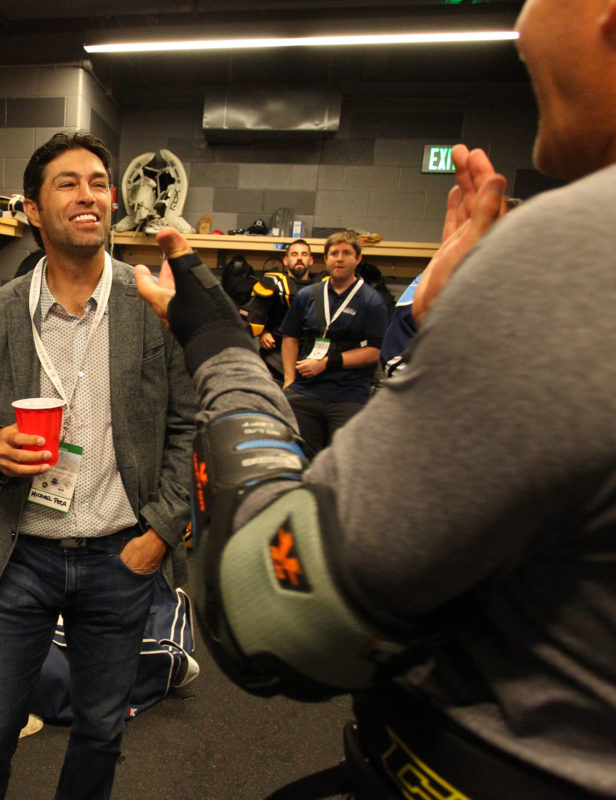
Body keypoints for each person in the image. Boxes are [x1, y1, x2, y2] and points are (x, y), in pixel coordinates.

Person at [130, 0, 616, 794]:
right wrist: (444, 338)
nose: (523, 22)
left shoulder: (582, 246)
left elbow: (270, 616)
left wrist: (213, 338)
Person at [0, 130, 197, 800]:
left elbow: (187, 425)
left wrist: (160, 532)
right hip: (18, 555)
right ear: (31, 209)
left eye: (99, 183)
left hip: (120, 555)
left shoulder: (154, 308)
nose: (89, 195)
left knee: (102, 729)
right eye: (67, 183)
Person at [279, 230, 388, 455]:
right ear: (325, 259)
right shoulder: (307, 296)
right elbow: (290, 338)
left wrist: (327, 363)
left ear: (358, 259)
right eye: (334, 253)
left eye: (347, 253)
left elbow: (374, 352)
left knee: (341, 463)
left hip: (348, 396)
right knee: (295, 459)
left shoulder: (371, 301)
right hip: (304, 392)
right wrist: (289, 378)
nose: (339, 258)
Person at [242, 238, 320, 383]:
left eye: (304, 255)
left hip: (312, 356)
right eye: (294, 255)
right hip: (276, 355)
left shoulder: (323, 287)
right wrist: (263, 332)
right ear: (286, 260)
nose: (299, 259)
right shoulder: (273, 284)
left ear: (311, 260)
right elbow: (249, 314)